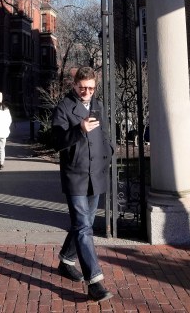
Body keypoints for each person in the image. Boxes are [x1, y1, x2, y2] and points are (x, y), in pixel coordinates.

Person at [52, 67, 114, 303]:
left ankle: (66, 261)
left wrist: (108, 151)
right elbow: (56, 141)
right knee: (83, 227)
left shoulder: (98, 105)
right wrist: (79, 130)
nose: (87, 92)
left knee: (83, 224)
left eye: (91, 88)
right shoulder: (64, 108)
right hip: (75, 176)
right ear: (74, 85)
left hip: (96, 173)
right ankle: (95, 281)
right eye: (82, 88)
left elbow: (106, 134)